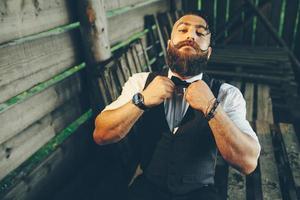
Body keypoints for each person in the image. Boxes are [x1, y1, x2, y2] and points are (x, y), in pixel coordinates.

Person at [93, 11, 261, 200]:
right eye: (183, 30)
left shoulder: (227, 94)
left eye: (200, 33)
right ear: (169, 45)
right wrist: (142, 100)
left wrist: (211, 107)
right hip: (147, 190)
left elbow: (248, 163)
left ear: (209, 52)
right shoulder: (140, 83)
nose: (190, 36)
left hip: (200, 193)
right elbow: (101, 134)